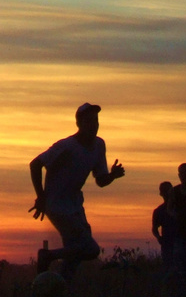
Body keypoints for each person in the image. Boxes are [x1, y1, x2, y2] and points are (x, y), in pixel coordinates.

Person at [30, 102, 125, 277]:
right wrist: (41, 197)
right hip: (57, 205)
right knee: (90, 249)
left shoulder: (98, 145)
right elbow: (35, 164)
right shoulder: (66, 146)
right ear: (79, 124)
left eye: (96, 121)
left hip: (75, 205)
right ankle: (47, 256)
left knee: (75, 254)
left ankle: (59, 288)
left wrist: (113, 175)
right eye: (89, 121)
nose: (94, 125)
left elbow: (101, 180)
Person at [151, 181, 178, 267]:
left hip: (182, 241)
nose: (167, 193)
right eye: (164, 190)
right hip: (168, 243)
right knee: (169, 267)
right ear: (161, 193)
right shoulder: (159, 211)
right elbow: (154, 228)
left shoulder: (180, 207)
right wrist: (159, 237)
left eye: (168, 190)